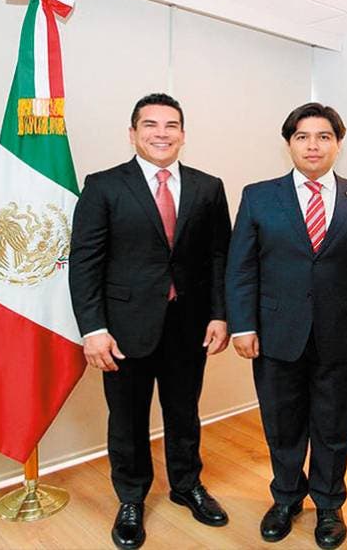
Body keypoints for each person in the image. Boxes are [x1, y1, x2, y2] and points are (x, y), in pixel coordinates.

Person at [225, 102, 347, 549]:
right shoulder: (259, 196)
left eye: (324, 136)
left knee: (334, 426)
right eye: (302, 137)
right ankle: (285, 498)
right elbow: (241, 267)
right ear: (289, 144)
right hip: (275, 333)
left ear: (338, 144)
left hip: (342, 335)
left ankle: (328, 504)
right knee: (282, 423)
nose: (313, 145)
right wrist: (242, 326)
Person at [69, 93, 232, 549]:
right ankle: (131, 498)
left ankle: (186, 485)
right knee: (127, 419)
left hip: (190, 326)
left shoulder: (208, 187)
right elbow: (85, 262)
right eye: (150, 125)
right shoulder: (103, 185)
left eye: (171, 125)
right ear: (132, 133)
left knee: (184, 413)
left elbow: (219, 256)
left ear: (183, 134)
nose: (161, 133)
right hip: (123, 329)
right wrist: (93, 330)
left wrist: (220, 314)